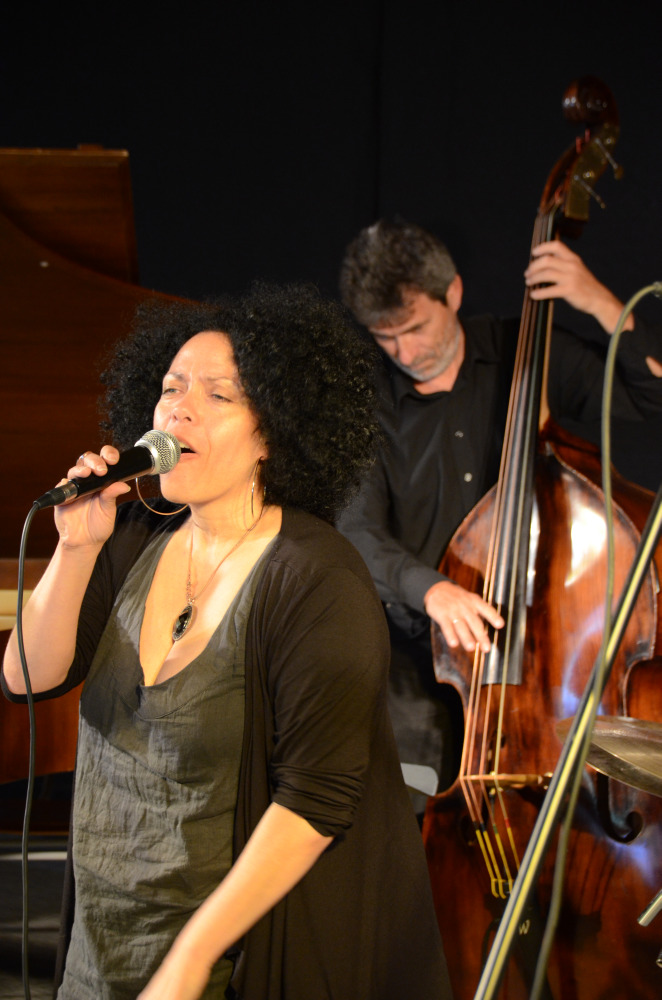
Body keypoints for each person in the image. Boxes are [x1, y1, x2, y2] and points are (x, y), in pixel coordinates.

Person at [2, 283, 452, 1000]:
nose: (179, 408)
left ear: (272, 433)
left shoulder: (318, 579)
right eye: (171, 387)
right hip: (100, 950)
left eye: (218, 395)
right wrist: (75, 549)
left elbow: (314, 803)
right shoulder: (130, 538)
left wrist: (187, 963)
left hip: (224, 964)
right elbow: (27, 676)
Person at [337, 218, 662, 796]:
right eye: (385, 338)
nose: (405, 352)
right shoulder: (365, 402)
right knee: (409, 821)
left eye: (415, 327)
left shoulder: (527, 353)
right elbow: (355, 530)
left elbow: (653, 395)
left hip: (545, 668)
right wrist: (432, 591)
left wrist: (600, 303)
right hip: (418, 669)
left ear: (453, 292)